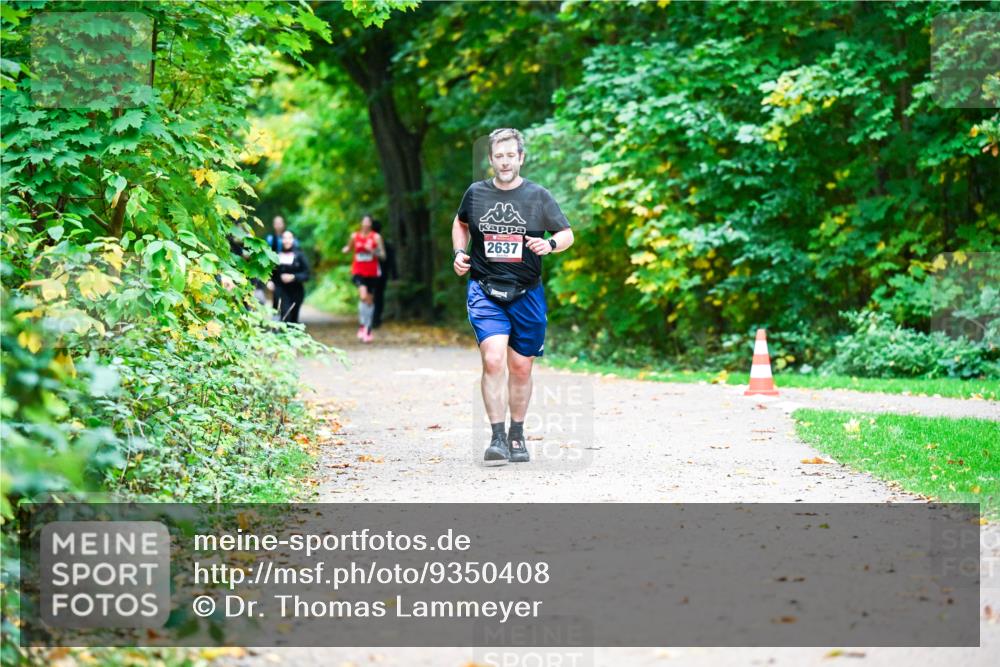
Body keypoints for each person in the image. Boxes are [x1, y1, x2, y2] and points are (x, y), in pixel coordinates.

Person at [452, 128, 574, 466]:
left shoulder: (538, 196)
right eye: (498, 156)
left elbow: (566, 233)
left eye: (510, 155)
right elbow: (460, 223)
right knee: (493, 359)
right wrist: (459, 253)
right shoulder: (476, 193)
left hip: (527, 292)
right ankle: (497, 438)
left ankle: (516, 433)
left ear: (520, 158)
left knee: (520, 367)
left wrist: (549, 244)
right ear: (491, 160)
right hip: (485, 289)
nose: (504, 162)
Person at [342, 214, 385, 343]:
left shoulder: (376, 237)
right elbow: (349, 248)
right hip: (358, 271)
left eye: (368, 222)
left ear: (371, 224)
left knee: (370, 301)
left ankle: (368, 329)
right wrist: (346, 249)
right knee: (363, 296)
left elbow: (383, 255)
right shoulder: (354, 236)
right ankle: (362, 325)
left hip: (372, 272)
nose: (366, 224)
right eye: (364, 222)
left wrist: (372, 251)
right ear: (361, 223)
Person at [267, 230, 310, 324]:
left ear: (293, 240)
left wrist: (293, 277)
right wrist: (269, 281)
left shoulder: (300, 255)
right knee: (285, 315)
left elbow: (306, 274)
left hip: (296, 291)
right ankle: (282, 332)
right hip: (281, 290)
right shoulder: (276, 255)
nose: (287, 240)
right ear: (281, 240)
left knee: (293, 319)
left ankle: (292, 332)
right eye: (284, 238)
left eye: (289, 238)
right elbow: (270, 272)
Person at [370, 219, 397, 329]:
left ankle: (372, 318)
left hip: (371, 274)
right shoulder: (386, 244)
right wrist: (394, 275)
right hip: (382, 274)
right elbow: (392, 261)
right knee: (379, 296)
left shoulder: (368, 243)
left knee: (372, 295)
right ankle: (376, 319)